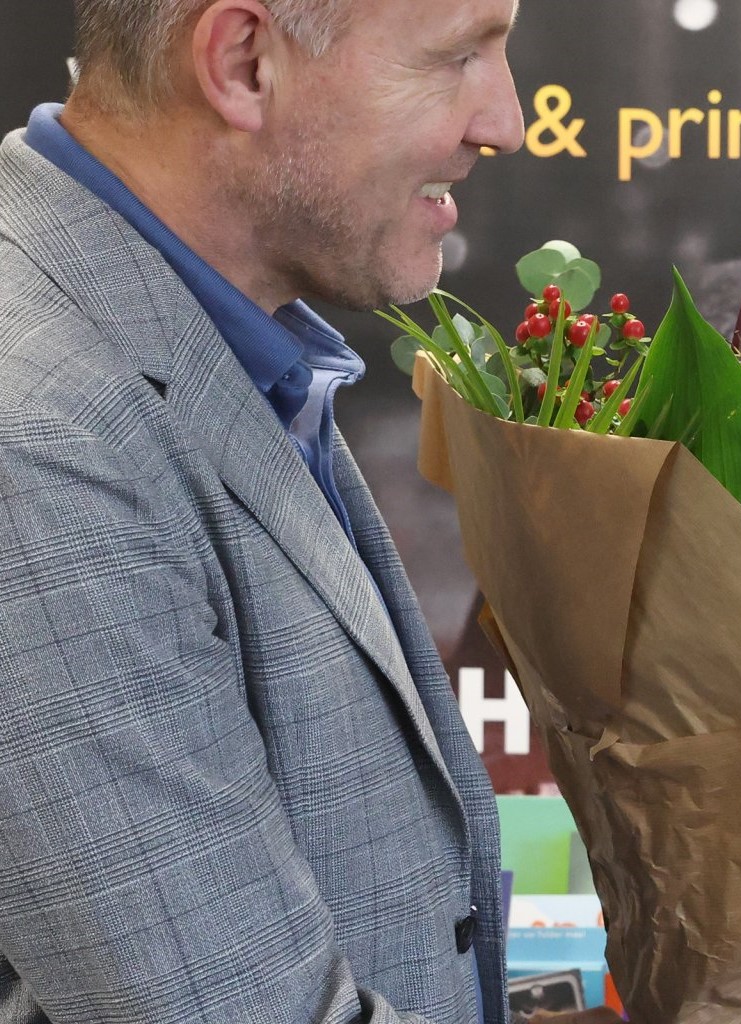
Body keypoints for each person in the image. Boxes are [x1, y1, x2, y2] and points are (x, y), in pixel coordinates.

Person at [0, 1, 562, 1021]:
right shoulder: (44, 431)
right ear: (246, 62)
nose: (506, 121)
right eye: (459, 55)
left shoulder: (213, 336)